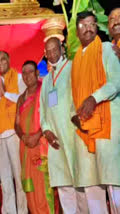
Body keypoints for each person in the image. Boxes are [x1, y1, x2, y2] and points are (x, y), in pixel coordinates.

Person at [71, 11, 120, 213]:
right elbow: (76, 93)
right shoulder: (76, 59)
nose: (89, 28)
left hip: (107, 122)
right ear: (77, 31)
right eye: (83, 24)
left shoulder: (106, 48)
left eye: (92, 24)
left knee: (112, 179)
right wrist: (76, 114)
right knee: (91, 182)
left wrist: (93, 98)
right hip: (85, 127)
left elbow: (116, 82)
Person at [40, 37, 88, 213]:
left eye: (54, 49)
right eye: (48, 51)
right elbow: (43, 110)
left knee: (80, 181)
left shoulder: (73, 67)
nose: (52, 54)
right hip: (55, 140)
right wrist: (46, 130)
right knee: (63, 184)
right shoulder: (46, 80)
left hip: (72, 134)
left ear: (62, 49)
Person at [0, 51, 27, 214]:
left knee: (18, 176)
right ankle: (10, 211)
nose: (0, 62)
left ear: (9, 60)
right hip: (0, 135)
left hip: (14, 133)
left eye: (3, 59)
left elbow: (22, 98)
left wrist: (6, 94)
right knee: (5, 178)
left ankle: (22, 211)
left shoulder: (18, 78)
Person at [16, 61, 57, 214]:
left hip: (42, 147)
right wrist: (24, 137)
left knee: (44, 190)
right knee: (30, 190)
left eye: (30, 72)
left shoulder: (48, 90)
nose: (27, 76)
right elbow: (16, 124)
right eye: (24, 73)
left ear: (37, 73)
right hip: (25, 149)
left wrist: (36, 136)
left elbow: (54, 115)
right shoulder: (21, 98)